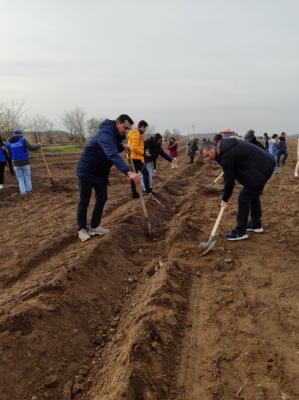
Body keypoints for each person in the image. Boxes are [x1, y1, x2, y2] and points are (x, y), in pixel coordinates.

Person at [76, 114, 140, 242]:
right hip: (88, 170)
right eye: (125, 127)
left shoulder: (115, 134)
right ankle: (81, 229)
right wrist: (129, 172)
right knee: (84, 201)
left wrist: (122, 146)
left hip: (100, 172)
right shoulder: (105, 133)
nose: (126, 131)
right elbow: (112, 154)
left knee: (102, 198)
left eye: (128, 129)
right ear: (117, 123)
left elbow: (115, 144)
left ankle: (94, 226)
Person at [201, 139, 275, 241]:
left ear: (213, 148)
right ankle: (255, 224)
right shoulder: (225, 148)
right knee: (253, 194)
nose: (207, 159)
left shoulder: (226, 154)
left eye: (207, 155)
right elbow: (229, 171)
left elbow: (229, 179)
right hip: (264, 163)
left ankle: (241, 231)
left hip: (262, 167)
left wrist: (225, 199)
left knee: (243, 198)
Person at [6, 130, 41, 194]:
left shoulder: (8, 143)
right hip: (25, 162)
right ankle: (29, 190)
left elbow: (9, 155)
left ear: (14, 134)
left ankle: (23, 192)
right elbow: (31, 148)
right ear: (21, 134)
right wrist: (38, 145)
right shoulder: (23, 140)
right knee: (27, 176)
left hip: (16, 163)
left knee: (20, 178)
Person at [127, 120, 151, 198]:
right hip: (136, 158)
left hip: (133, 157)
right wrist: (143, 153)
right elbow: (134, 147)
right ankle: (148, 191)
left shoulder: (137, 134)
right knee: (146, 173)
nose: (145, 130)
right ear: (142, 126)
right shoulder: (136, 134)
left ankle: (134, 194)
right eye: (145, 128)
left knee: (134, 175)